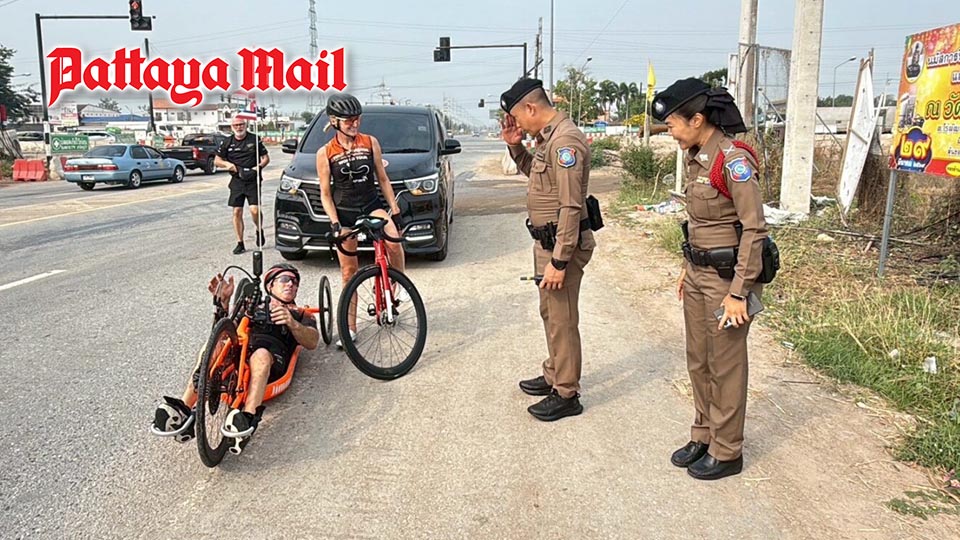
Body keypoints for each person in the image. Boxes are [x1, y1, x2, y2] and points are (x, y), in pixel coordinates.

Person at [651, 78, 767, 480]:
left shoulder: (732, 160)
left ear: (697, 119)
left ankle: (727, 449)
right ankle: (704, 434)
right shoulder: (697, 157)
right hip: (699, 275)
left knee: (726, 365)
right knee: (699, 360)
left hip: (727, 280)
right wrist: (688, 269)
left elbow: (754, 229)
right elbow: (701, 223)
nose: (670, 131)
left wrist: (739, 293)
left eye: (672, 124)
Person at [500, 78, 596, 422]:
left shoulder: (565, 142)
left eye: (517, 118)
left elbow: (571, 206)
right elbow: (537, 176)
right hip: (547, 242)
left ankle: (567, 393)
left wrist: (559, 260)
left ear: (530, 108)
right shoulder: (548, 140)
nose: (518, 124)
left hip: (560, 246)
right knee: (551, 314)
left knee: (562, 318)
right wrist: (516, 148)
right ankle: (555, 371)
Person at [152, 263, 319, 454]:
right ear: (270, 285)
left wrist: (292, 323)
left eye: (295, 282)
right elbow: (223, 332)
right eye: (285, 279)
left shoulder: (300, 313)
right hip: (240, 351)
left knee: (261, 356)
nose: (291, 284)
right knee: (210, 347)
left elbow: (312, 341)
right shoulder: (251, 306)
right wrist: (223, 304)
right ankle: (183, 409)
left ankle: (248, 417)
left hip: (272, 357)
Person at [315, 94, 405, 347]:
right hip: (344, 211)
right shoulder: (325, 153)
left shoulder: (370, 142)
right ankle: (350, 328)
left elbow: (383, 178)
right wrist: (334, 223)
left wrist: (395, 209)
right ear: (334, 121)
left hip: (371, 205)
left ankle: (397, 285)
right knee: (348, 273)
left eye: (357, 119)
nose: (354, 124)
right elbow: (325, 194)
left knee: (394, 240)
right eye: (349, 120)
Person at [215, 118, 270, 255]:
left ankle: (259, 230)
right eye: (236, 125)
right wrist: (229, 165)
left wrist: (258, 168)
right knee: (237, 212)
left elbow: (266, 158)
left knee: (254, 210)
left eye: (241, 124)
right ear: (232, 127)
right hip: (237, 180)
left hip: (252, 179)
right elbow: (217, 160)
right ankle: (240, 243)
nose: (239, 127)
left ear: (245, 125)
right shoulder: (227, 142)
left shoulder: (254, 139)